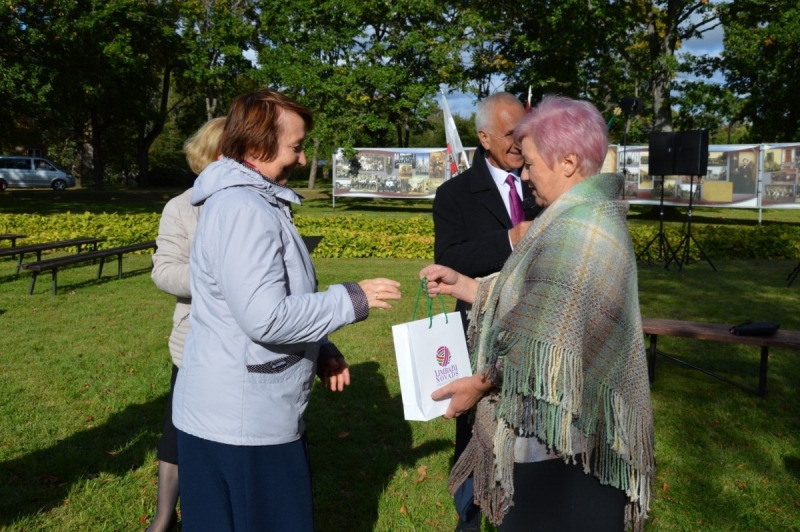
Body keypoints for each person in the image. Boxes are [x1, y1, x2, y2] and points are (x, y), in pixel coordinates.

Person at [171, 88, 401, 532]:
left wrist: (321, 346)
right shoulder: (243, 208)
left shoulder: (249, 201)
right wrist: (352, 298)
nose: (300, 159)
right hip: (242, 424)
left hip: (231, 414)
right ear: (257, 148)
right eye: (295, 147)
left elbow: (269, 297)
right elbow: (265, 316)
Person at [422, 96, 655, 532]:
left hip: (562, 445)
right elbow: (533, 293)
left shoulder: (576, 230)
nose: (524, 174)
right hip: (570, 429)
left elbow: (541, 341)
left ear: (567, 162)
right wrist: (468, 286)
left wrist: (480, 384)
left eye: (530, 163)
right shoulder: (583, 214)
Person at [432, 91, 540, 532]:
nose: (520, 142)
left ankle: (527, 505)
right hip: (478, 331)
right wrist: (512, 239)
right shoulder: (454, 194)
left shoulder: (540, 185)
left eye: (525, 132)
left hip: (533, 326)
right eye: (511, 133)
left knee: (529, 425)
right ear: (484, 137)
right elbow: (451, 258)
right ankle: (469, 514)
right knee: (476, 426)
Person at [147, 117, 226, 532]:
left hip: (252, 346)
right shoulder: (181, 206)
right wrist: (219, 280)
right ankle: (163, 520)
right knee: (177, 432)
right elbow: (164, 272)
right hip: (195, 341)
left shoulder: (268, 202)